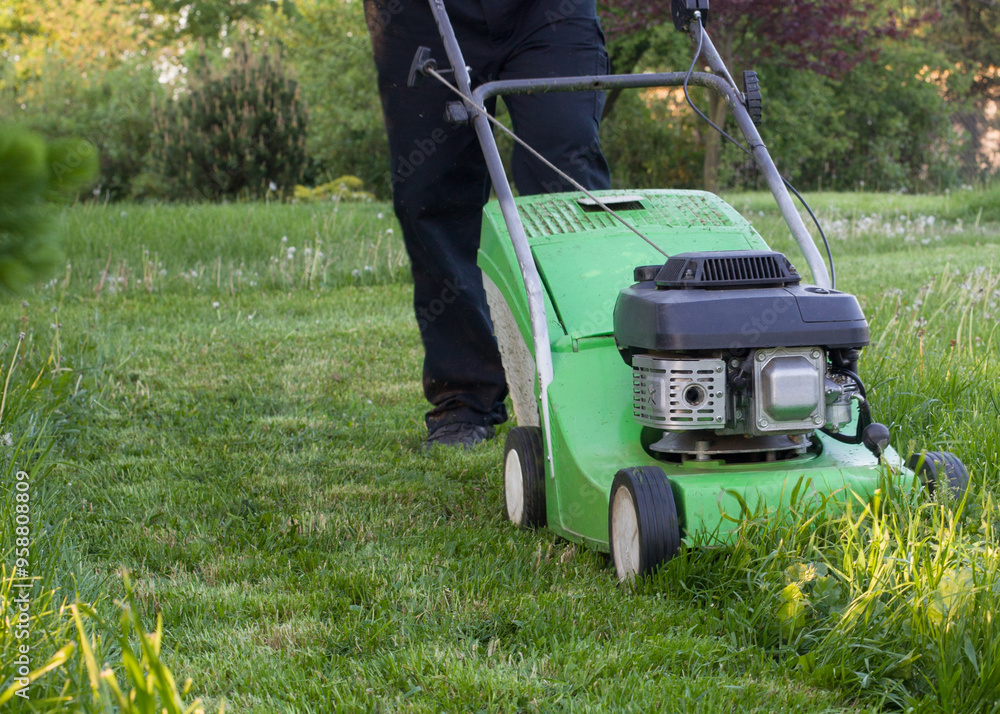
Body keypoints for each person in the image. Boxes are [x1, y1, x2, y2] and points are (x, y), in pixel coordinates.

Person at [364, 0, 612, 448]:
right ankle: (464, 397)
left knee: (566, 180)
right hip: (421, 14)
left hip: (547, 11)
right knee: (432, 193)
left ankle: (589, 374)